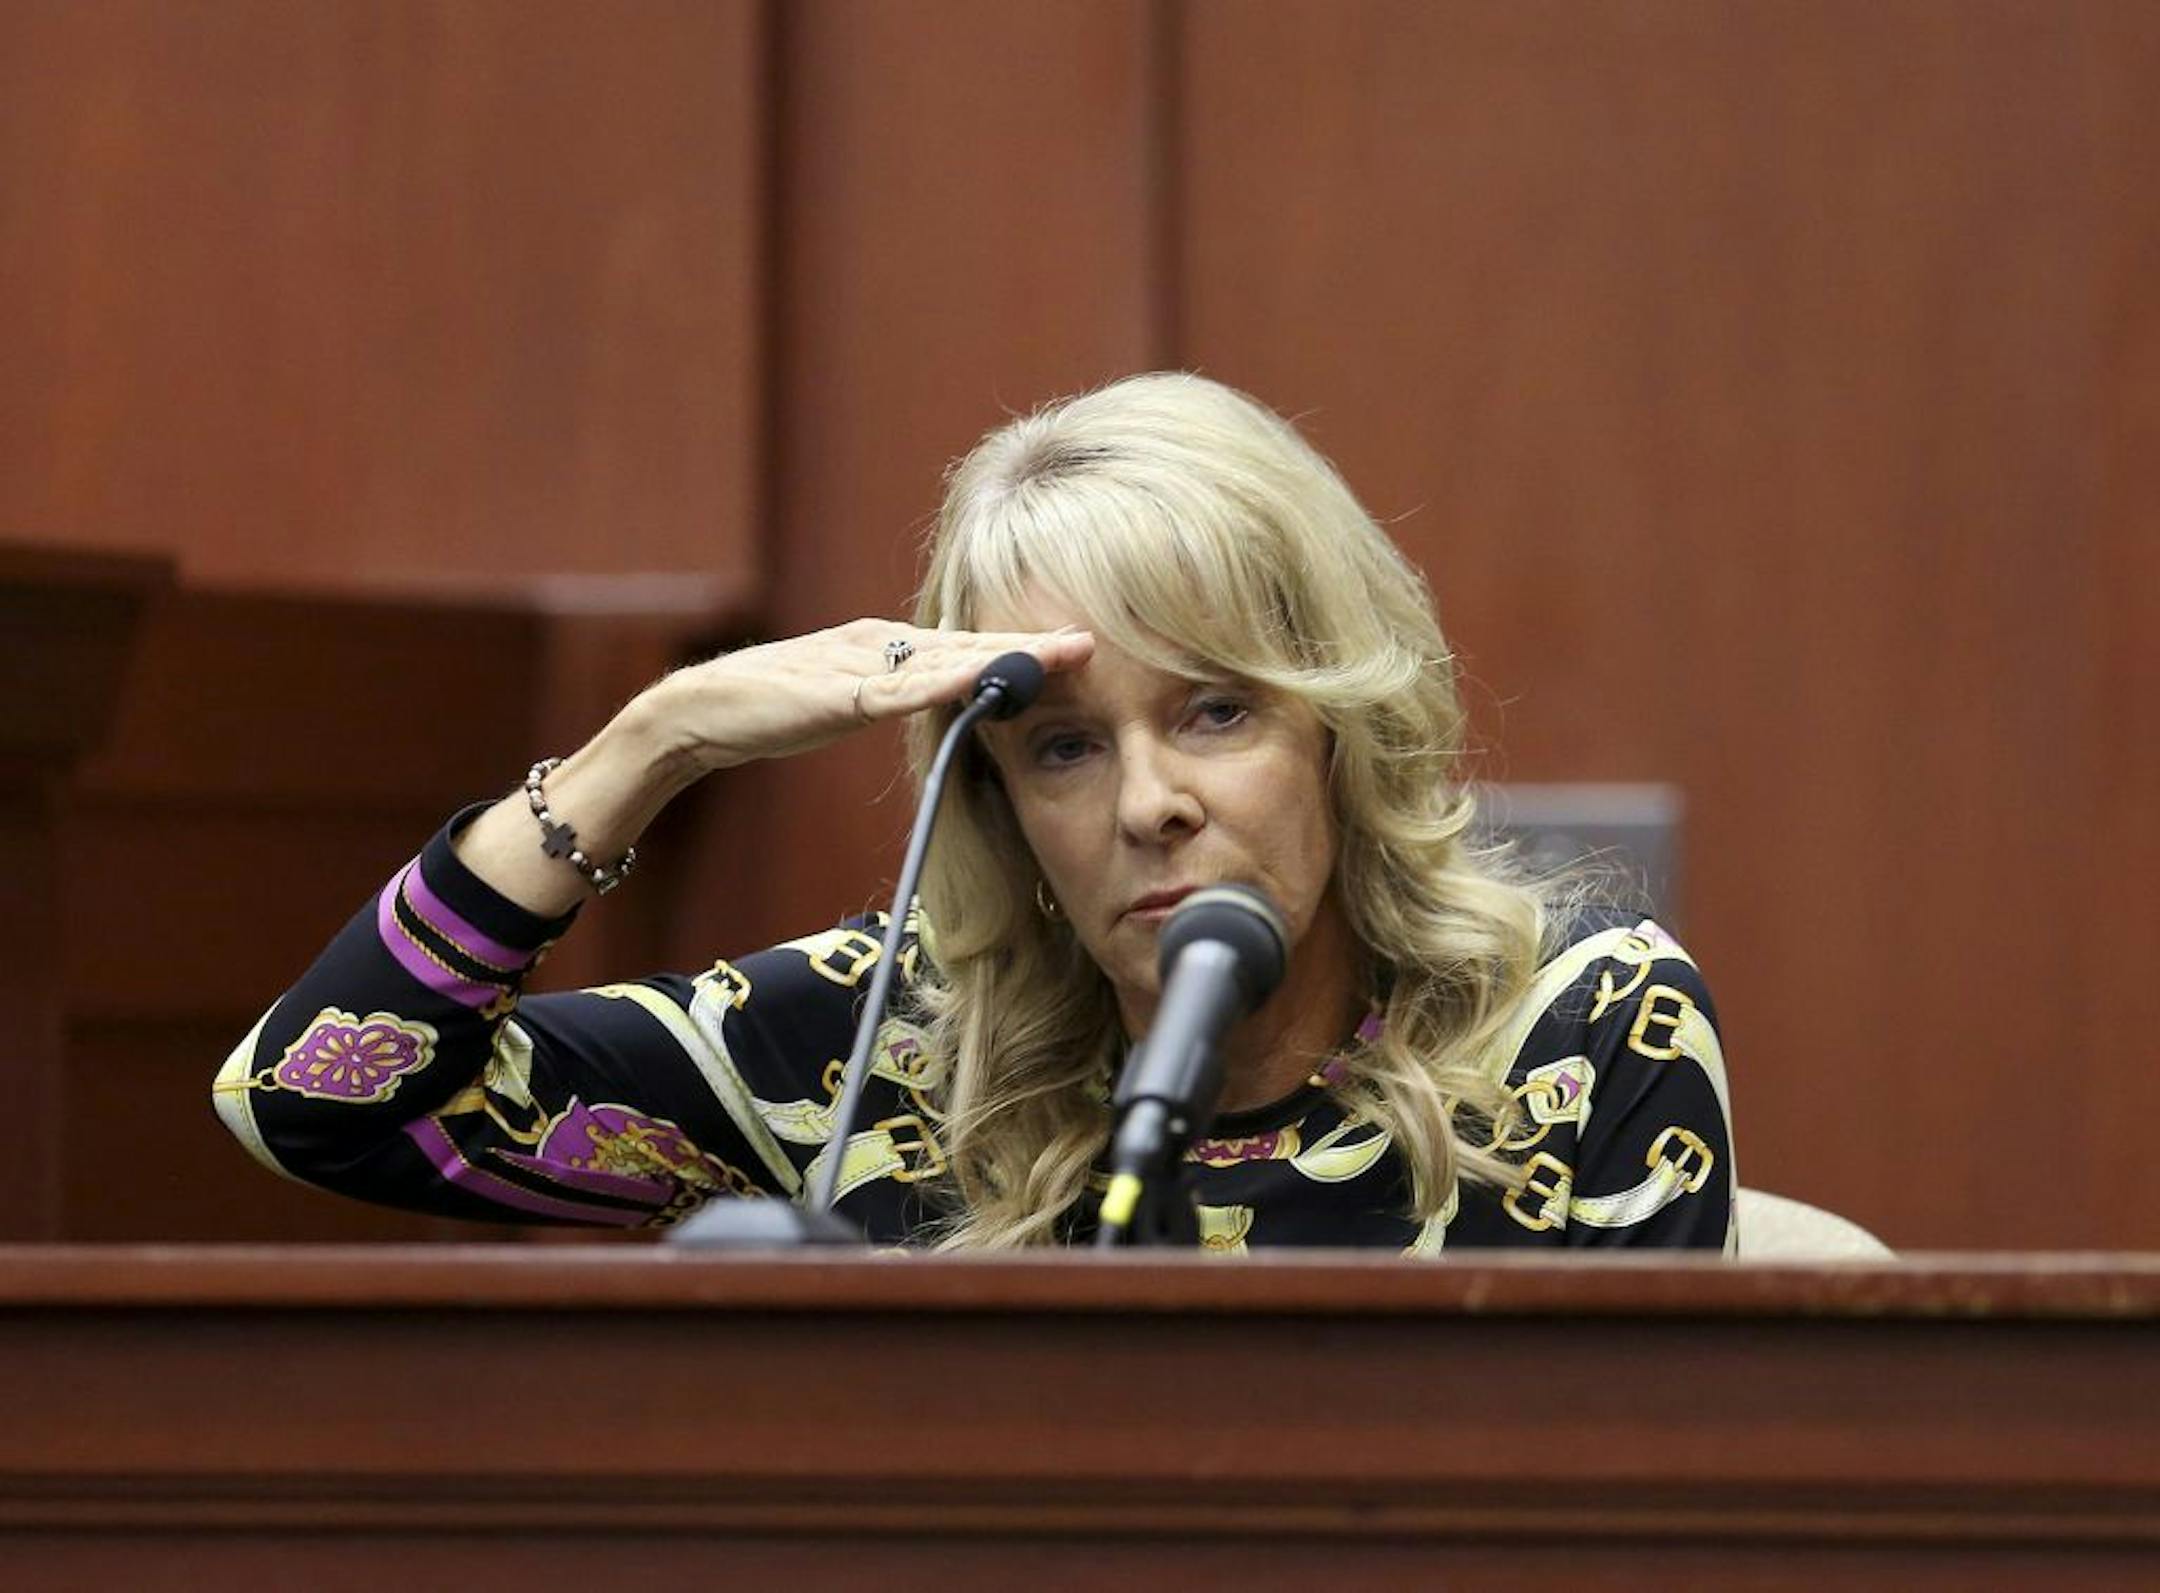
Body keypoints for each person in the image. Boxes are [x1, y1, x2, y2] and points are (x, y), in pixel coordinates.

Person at [213, 373, 1734, 1253]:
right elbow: (322, 1100)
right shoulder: (897, 1048)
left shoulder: (1576, 1030)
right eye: (1067, 748)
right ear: (1003, 803)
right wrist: (650, 741)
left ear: (1336, 727)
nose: (1152, 803)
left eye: (1217, 710)